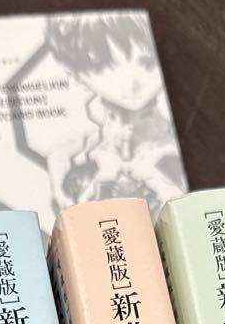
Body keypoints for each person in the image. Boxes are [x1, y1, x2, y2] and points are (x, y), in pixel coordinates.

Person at [44, 12, 185, 217]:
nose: (133, 84)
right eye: (104, 67)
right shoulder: (72, 154)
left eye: (147, 63)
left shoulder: (174, 145)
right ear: (74, 74)